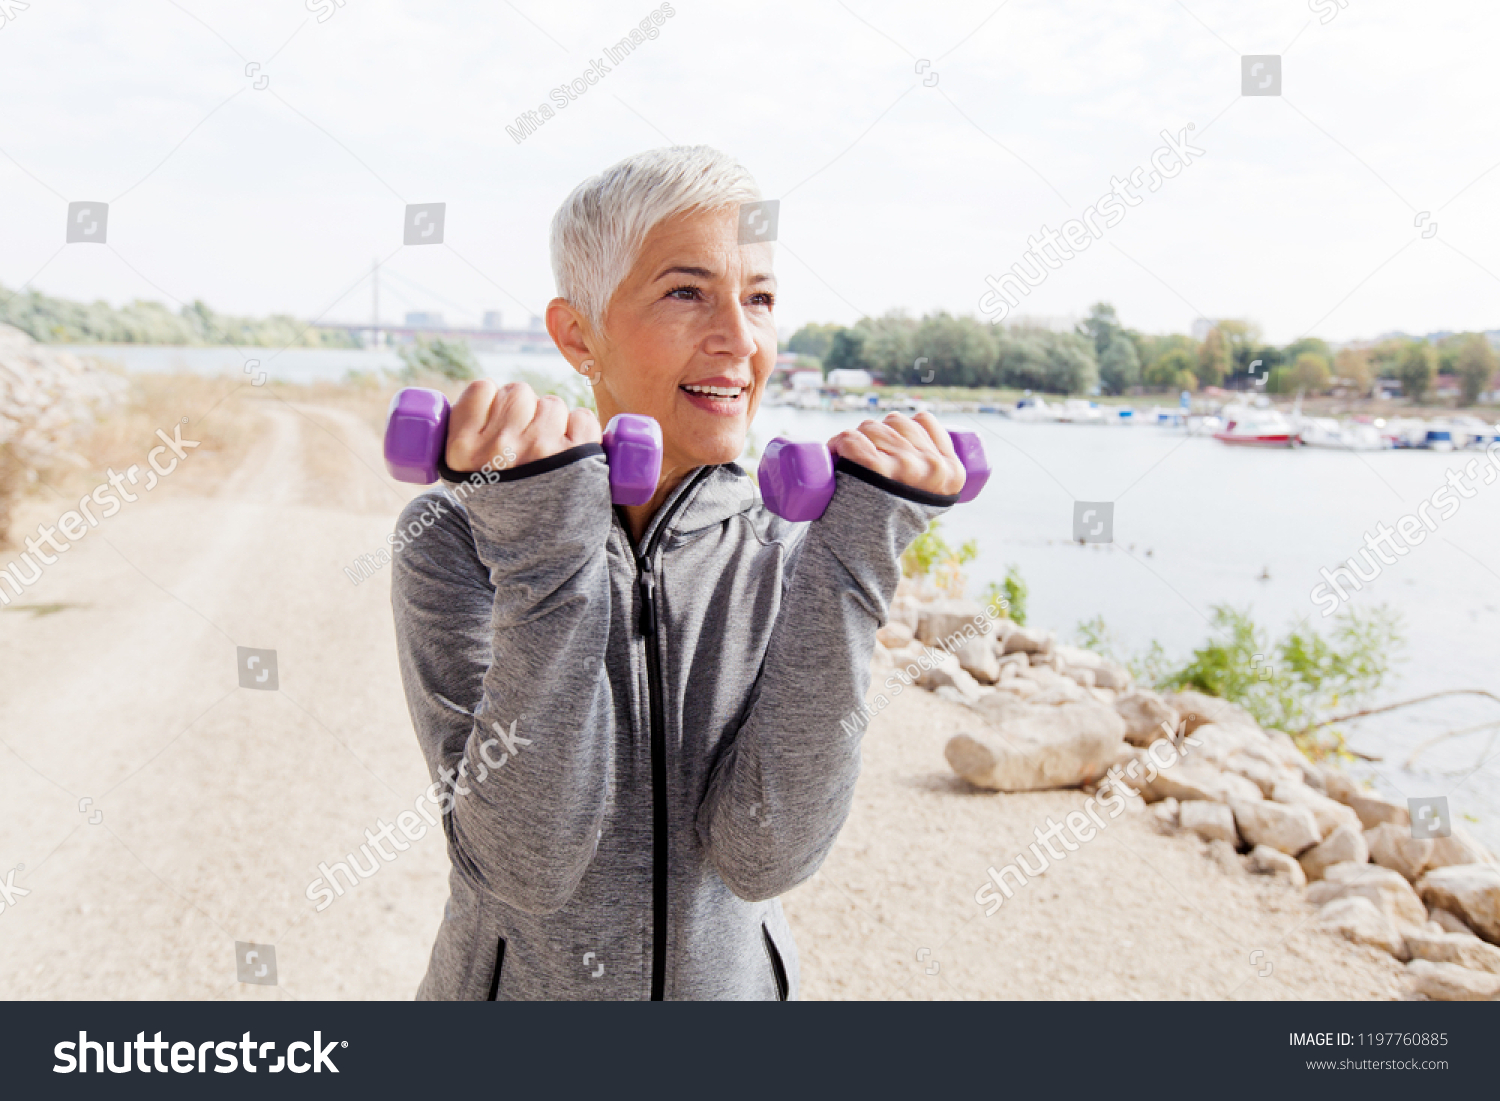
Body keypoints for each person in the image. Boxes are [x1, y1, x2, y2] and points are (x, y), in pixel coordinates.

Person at [391, 145, 966, 1000]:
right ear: (577, 333)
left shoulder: (783, 540)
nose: (740, 339)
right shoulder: (454, 538)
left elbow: (765, 852)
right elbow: (528, 863)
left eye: (761, 298)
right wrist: (546, 548)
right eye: (686, 291)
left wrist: (853, 556)